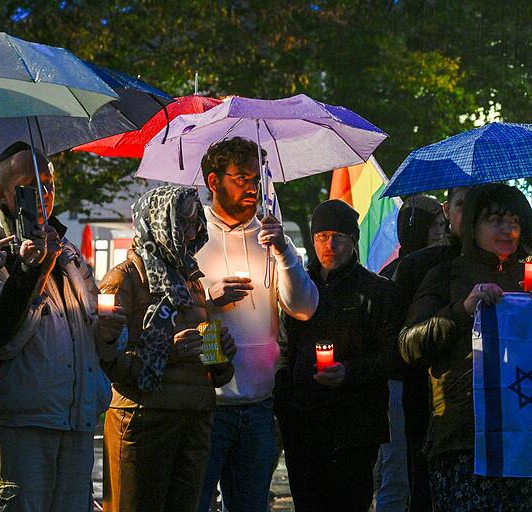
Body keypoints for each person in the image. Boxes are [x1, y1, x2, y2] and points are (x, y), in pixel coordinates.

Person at [0, 141, 125, 512]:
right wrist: (32, 272)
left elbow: (93, 335)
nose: (43, 194)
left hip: (77, 419)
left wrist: (108, 332)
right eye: (29, 184)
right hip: (25, 421)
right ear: (2, 193)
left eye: (49, 183)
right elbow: (0, 340)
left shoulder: (69, 254)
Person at [193, 137, 318, 512]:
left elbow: (304, 307)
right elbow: (169, 305)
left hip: (259, 405)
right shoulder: (192, 231)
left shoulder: (270, 233)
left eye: (256, 179)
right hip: (206, 405)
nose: (252, 187)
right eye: (241, 178)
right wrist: (208, 296)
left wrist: (284, 253)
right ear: (214, 182)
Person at [99, 185, 237, 512]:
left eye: (194, 225)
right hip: (145, 421)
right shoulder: (125, 278)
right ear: (160, 222)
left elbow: (209, 364)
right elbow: (108, 361)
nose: (190, 234)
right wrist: (167, 351)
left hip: (194, 420)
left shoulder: (191, 280)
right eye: (182, 224)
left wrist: (221, 357)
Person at [399, 183, 532, 511]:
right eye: (494, 219)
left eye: (513, 220)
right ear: (472, 225)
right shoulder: (445, 275)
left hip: (524, 439)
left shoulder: (527, 275)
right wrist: (462, 310)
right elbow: (408, 345)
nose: (506, 229)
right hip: (463, 440)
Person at [274, 199, 399, 512]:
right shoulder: (297, 288)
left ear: (353, 240)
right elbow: (285, 349)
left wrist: (350, 372)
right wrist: (285, 405)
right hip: (304, 424)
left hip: (355, 427)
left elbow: (392, 355)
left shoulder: (377, 291)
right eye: (321, 236)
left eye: (338, 237)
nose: (329, 245)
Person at [392, 187, 469, 512]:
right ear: (447, 210)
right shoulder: (419, 267)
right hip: (426, 410)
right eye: (463, 205)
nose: (471, 213)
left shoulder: (514, 266)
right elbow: (402, 344)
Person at [375, 194, 442, 512]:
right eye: (437, 226)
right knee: (399, 474)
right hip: (402, 383)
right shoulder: (398, 274)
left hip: (419, 383)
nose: (442, 232)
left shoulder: (394, 271)